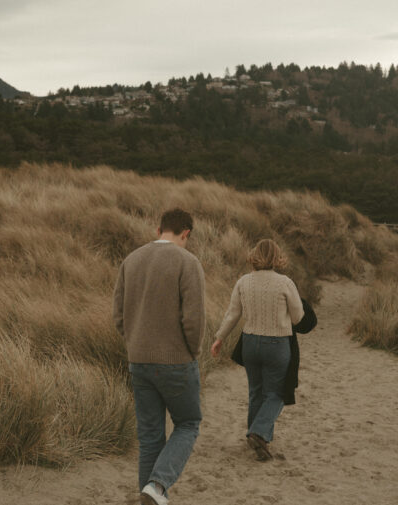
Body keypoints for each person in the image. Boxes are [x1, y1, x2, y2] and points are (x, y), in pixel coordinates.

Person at [113, 208, 205, 505]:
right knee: (188, 423)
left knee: (151, 436)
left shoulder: (132, 260)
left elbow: (118, 315)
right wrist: (194, 352)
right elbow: (194, 320)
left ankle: (149, 495)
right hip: (177, 361)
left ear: (158, 230)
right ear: (185, 233)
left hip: (138, 360)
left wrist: (135, 343)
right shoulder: (188, 262)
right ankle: (158, 486)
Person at [210, 238, 303, 461]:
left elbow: (232, 314)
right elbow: (299, 317)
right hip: (277, 344)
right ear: (277, 257)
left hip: (250, 343)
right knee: (278, 391)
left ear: (254, 255)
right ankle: (259, 432)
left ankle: (258, 439)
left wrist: (219, 338)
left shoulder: (244, 282)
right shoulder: (285, 282)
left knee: (256, 391)